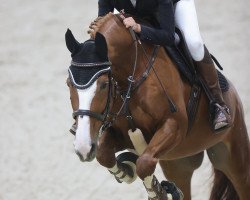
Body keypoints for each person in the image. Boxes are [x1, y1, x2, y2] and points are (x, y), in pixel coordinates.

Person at [97, 0, 231, 131]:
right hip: (137, 13)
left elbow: (168, 36)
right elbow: (101, 33)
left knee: (194, 44)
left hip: (174, 5)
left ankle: (218, 104)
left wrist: (139, 28)